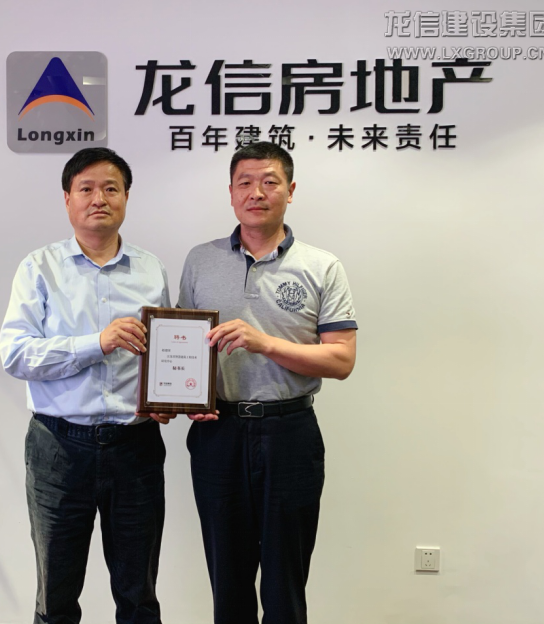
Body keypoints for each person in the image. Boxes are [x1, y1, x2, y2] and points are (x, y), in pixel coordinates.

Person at [178, 142, 357, 624]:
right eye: (245, 183)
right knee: (228, 580)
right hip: (218, 433)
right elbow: (182, 345)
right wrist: (185, 396)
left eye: (270, 182)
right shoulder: (200, 260)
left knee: (285, 582)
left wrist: (265, 343)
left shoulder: (322, 266)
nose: (256, 193)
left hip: (289, 434)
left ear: (290, 191)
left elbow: (342, 359)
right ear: (231, 193)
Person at [0, 147, 171, 624]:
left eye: (111, 188)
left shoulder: (151, 269)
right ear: (67, 199)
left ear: (126, 197)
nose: (100, 198)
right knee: (56, 596)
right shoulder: (39, 267)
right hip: (59, 447)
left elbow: (165, 352)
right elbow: (16, 354)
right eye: (87, 188)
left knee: (139, 598)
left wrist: (167, 397)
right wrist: (97, 343)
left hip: (136, 447)